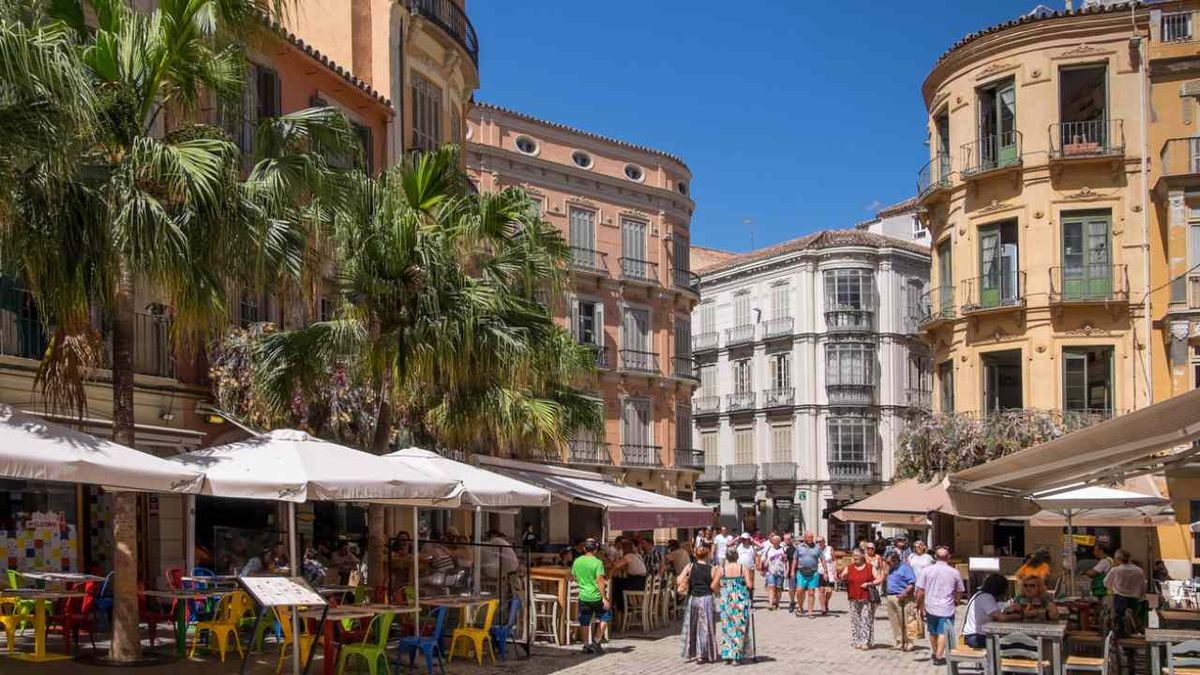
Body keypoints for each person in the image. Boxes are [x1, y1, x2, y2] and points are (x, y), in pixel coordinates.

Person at [915, 546, 963, 667]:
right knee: (943, 632)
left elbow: (920, 591)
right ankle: (938, 656)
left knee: (933, 631)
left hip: (930, 605)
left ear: (935, 557)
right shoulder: (954, 572)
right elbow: (959, 590)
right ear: (948, 557)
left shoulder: (926, 571)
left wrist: (918, 604)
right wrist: (956, 601)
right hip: (946, 606)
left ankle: (936, 652)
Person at [678, 545, 718, 663]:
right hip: (707, 598)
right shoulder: (712, 569)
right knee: (706, 626)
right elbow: (714, 587)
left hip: (693, 598)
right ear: (708, 555)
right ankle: (703, 653)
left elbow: (679, 580)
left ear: (695, 555)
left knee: (691, 625)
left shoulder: (690, 566)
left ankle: (691, 652)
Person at [714, 548, 753, 664]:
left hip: (727, 600)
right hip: (740, 600)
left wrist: (719, 592)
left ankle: (728, 654)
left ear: (726, 557)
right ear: (737, 556)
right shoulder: (742, 568)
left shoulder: (722, 569)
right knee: (739, 627)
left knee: (727, 626)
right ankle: (737, 655)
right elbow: (749, 584)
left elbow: (713, 585)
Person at [571, 538, 609, 654]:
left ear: (584, 548)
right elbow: (600, 581)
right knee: (605, 616)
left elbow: (574, 576)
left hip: (583, 596)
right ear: (596, 550)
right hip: (596, 596)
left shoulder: (577, 561)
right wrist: (604, 598)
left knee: (584, 621)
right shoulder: (597, 563)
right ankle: (596, 641)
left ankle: (585, 645)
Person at [841, 548, 883, 650]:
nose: (854, 557)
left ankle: (865, 642)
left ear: (862, 556)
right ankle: (857, 641)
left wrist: (869, 583)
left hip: (866, 597)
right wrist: (842, 576)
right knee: (855, 620)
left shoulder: (869, 567)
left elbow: (879, 579)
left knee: (866, 619)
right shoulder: (849, 567)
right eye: (853, 555)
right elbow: (842, 577)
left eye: (857, 555)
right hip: (853, 597)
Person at [962, 573, 1019, 648]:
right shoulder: (986, 597)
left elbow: (995, 613)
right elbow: (1002, 618)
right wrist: (1018, 616)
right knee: (1015, 644)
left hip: (972, 636)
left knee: (1011, 641)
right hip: (976, 637)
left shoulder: (979, 594)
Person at [1104, 549, 1147, 637]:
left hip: (1119, 597)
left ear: (1117, 559)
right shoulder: (1139, 570)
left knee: (1118, 616)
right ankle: (1135, 629)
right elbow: (1143, 585)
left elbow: (1106, 583)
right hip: (1135, 598)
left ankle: (1120, 633)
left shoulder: (1116, 570)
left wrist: (1112, 587)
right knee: (1134, 616)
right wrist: (1141, 596)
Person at [882, 550, 917, 651]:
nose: (887, 563)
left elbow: (912, 583)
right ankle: (899, 641)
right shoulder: (890, 569)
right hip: (890, 596)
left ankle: (909, 642)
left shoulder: (905, 568)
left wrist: (904, 593)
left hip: (902, 597)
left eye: (889, 562)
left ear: (896, 560)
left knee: (906, 621)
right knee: (894, 621)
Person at [610, 540, 647, 613]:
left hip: (636, 582)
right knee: (618, 582)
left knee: (617, 585)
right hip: (641, 582)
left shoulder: (628, 556)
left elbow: (616, 565)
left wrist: (615, 558)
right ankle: (620, 608)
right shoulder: (637, 555)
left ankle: (621, 608)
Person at [792, 531, 822, 619]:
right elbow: (795, 559)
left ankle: (810, 612)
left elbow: (822, 559)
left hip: (813, 573)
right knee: (799, 590)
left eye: (812, 537)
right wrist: (792, 571)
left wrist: (826, 571)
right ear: (804, 538)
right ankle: (800, 606)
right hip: (801, 572)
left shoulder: (817, 548)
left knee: (811, 592)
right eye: (809, 537)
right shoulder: (799, 547)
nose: (811, 539)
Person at [761, 534, 788, 611]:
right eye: (774, 541)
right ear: (772, 542)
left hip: (780, 571)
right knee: (771, 586)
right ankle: (771, 603)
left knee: (778, 588)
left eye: (777, 541)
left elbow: (787, 560)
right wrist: (762, 569)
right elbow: (763, 559)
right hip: (770, 571)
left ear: (779, 542)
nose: (776, 542)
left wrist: (784, 559)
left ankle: (777, 603)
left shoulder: (783, 549)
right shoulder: (769, 549)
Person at [816, 535, 836, 616]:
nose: (818, 543)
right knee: (821, 590)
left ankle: (826, 602)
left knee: (829, 590)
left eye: (820, 541)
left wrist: (835, 571)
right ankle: (823, 608)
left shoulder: (829, 548)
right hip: (819, 572)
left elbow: (834, 560)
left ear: (824, 542)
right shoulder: (815, 550)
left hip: (830, 572)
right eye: (817, 542)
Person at [781, 533, 797, 612]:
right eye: (785, 539)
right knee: (791, 588)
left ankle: (799, 604)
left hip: (799, 570)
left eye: (788, 539)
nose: (786, 541)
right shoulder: (785, 548)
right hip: (790, 570)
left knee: (799, 588)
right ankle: (792, 601)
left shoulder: (795, 548)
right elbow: (786, 561)